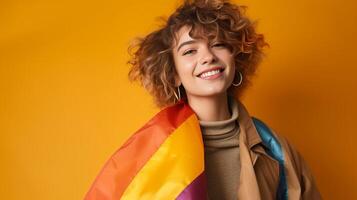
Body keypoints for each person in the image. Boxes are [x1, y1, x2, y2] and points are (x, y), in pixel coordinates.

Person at [85, 0, 321, 199]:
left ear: (235, 58)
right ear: (173, 73)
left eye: (218, 44)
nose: (208, 57)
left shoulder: (276, 150)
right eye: (190, 51)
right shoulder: (151, 154)